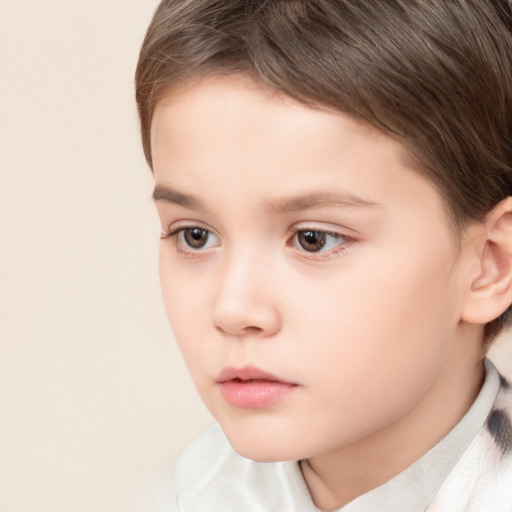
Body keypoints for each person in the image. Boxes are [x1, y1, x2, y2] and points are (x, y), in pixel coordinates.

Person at [135, 1, 512, 510]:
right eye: (195, 236)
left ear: (491, 264)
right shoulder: (186, 490)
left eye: (314, 238)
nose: (233, 309)